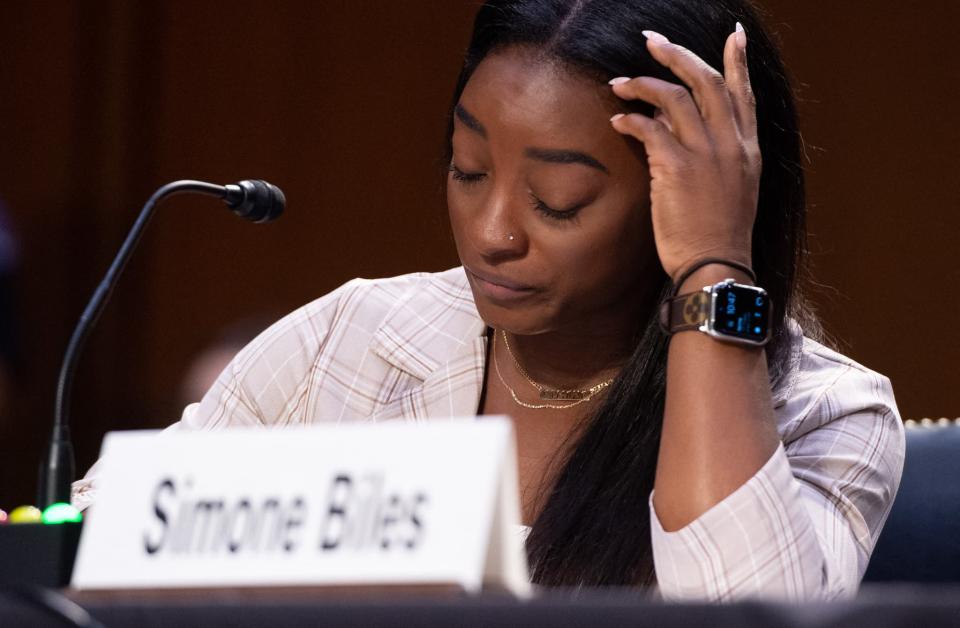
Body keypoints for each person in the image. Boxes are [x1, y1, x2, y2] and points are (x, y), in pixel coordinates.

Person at [73, 0, 904, 600]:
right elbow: (98, 540)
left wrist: (716, 266)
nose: (493, 232)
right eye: (468, 172)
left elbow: (738, 610)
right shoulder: (352, 338)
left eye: (558, 201)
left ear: (687, 198)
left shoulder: (825, 415)